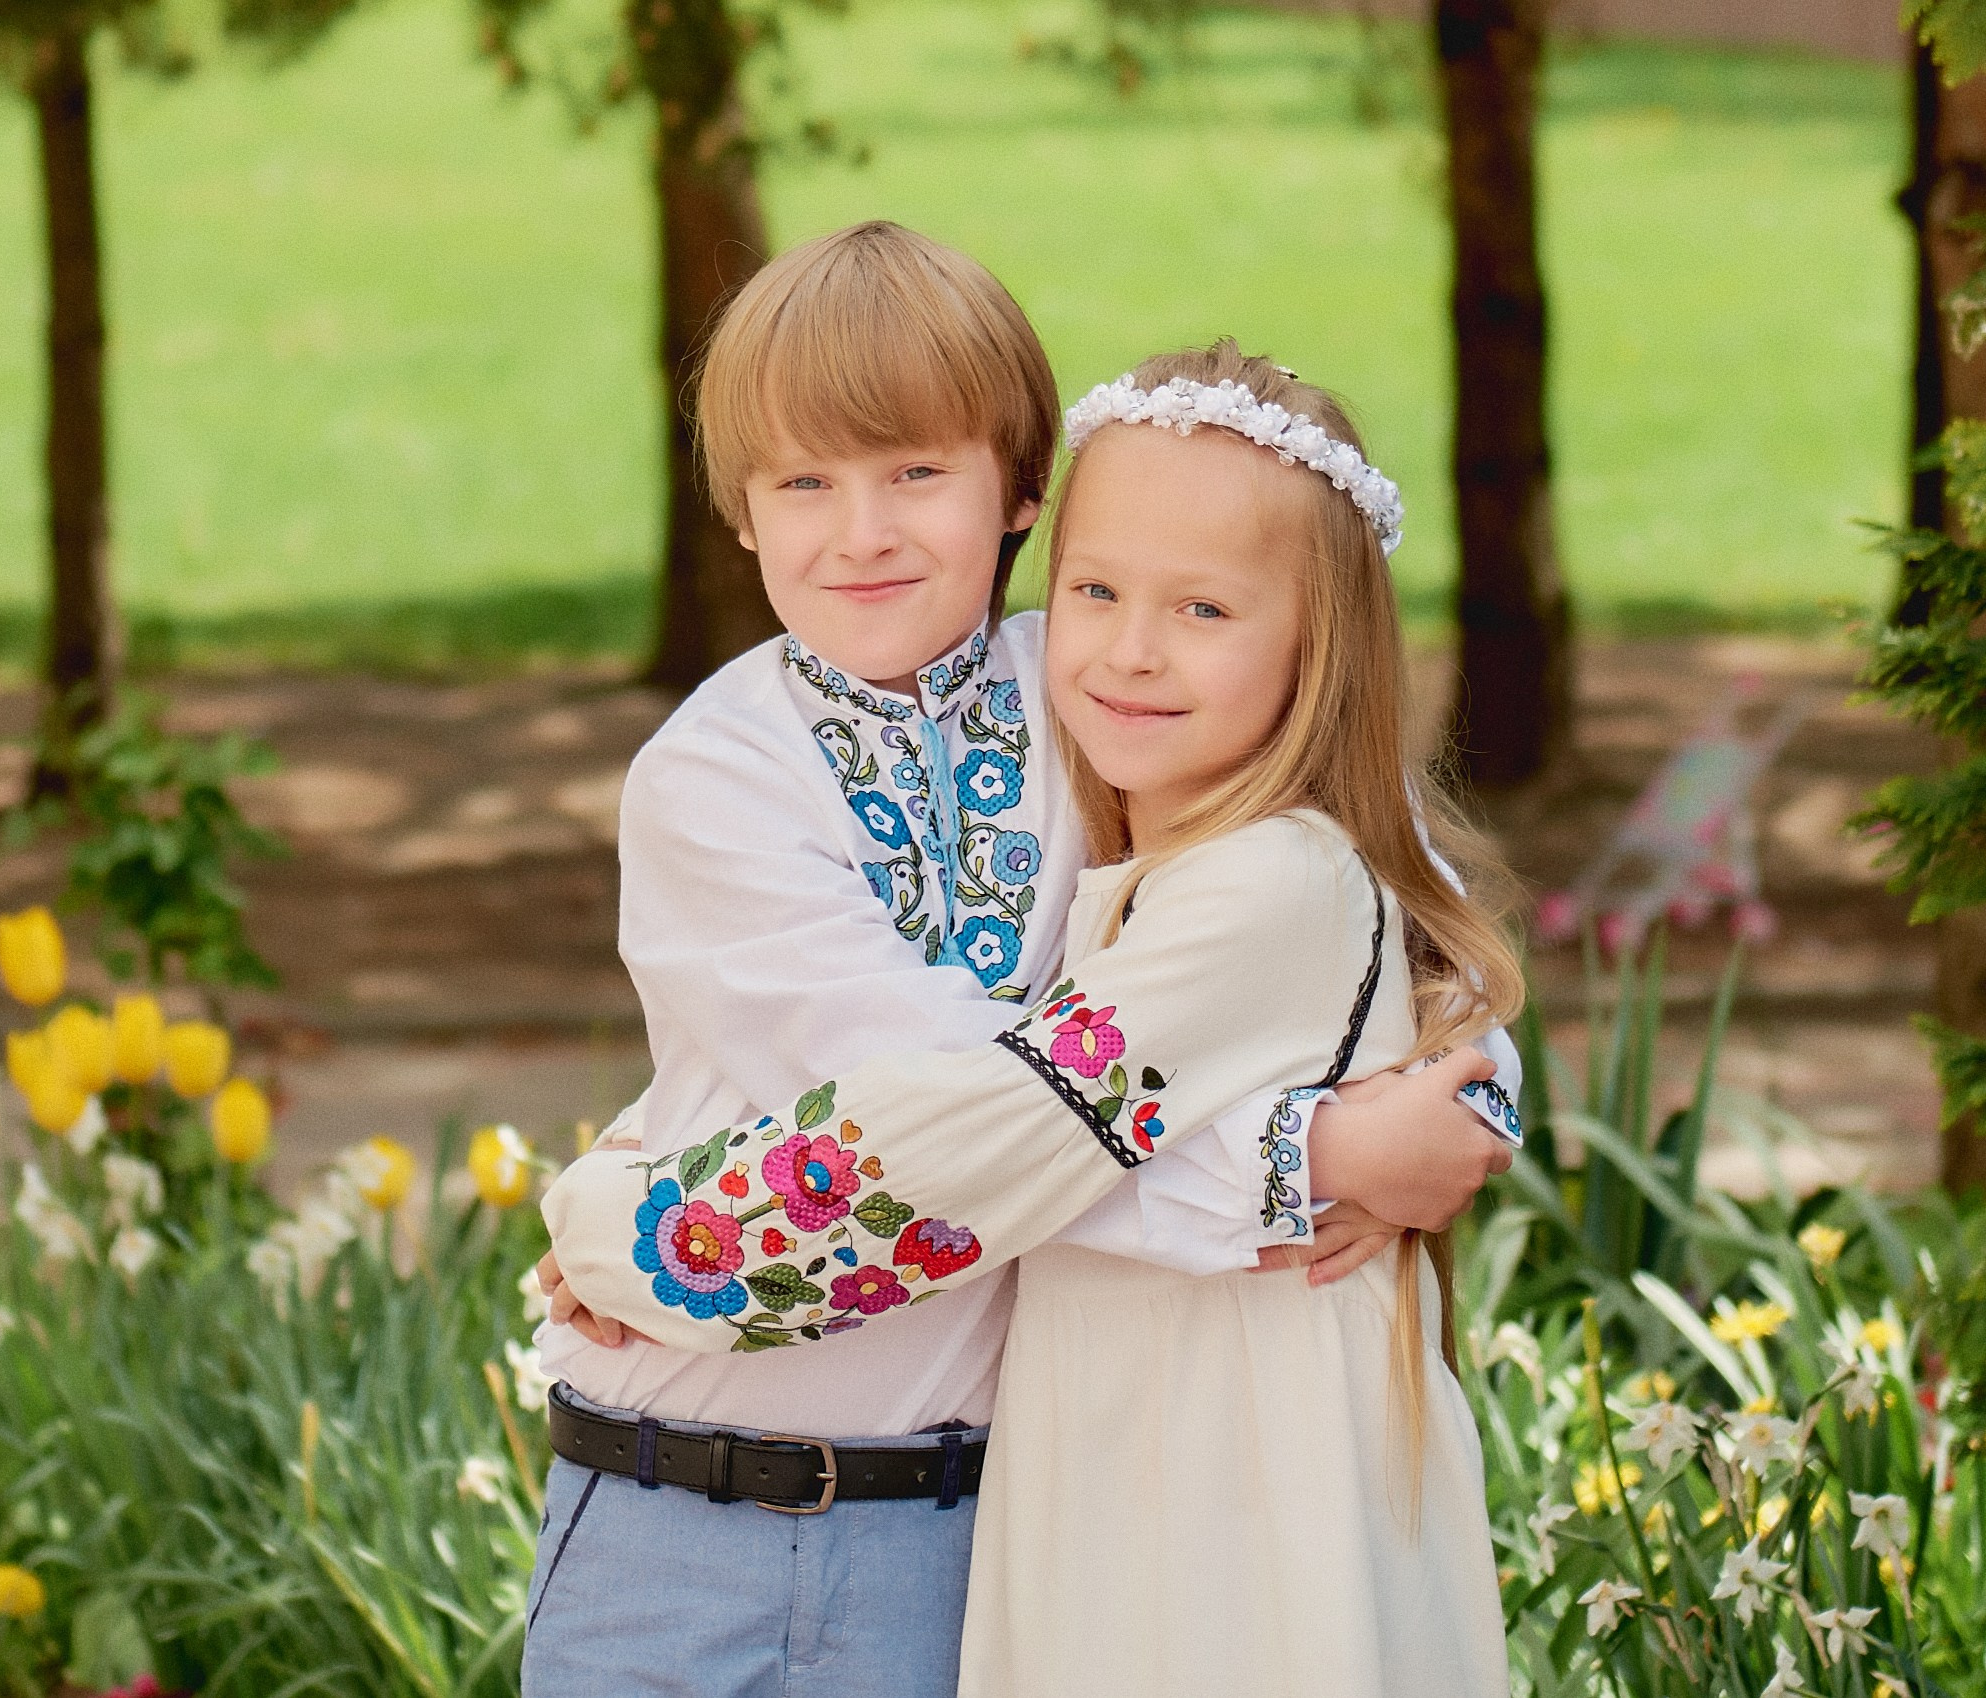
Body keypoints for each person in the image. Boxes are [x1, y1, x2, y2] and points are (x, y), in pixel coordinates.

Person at [522, 229, 1515, 1698]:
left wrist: (1477, 1104)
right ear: (737, 510)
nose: (863, 533)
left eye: (917, 472)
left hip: (964, 1532)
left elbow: (1402, 917)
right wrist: (1300, 1162)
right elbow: (933, 1125)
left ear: (1023, 495)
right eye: (804, 483)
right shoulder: (714, 778)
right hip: (678, 1506)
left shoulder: (1100, 683)